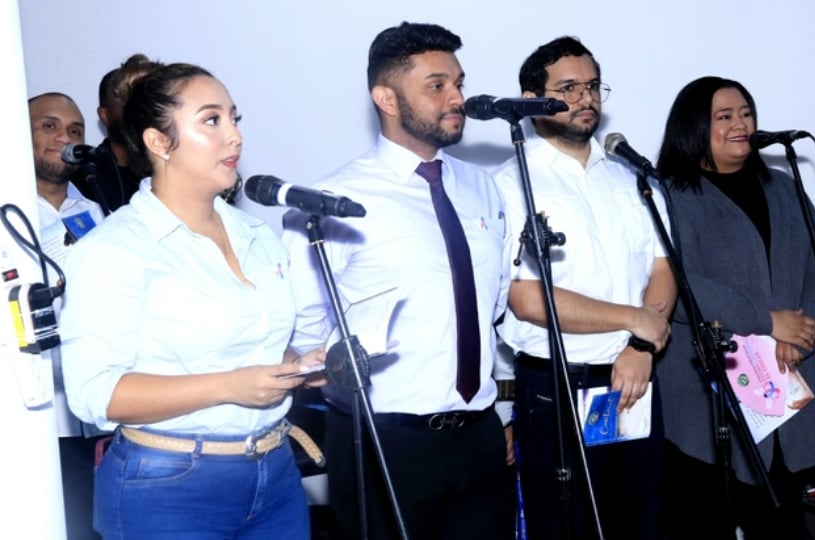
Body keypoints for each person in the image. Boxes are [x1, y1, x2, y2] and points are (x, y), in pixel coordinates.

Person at [60, 62, 324, 540]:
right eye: (211, 120)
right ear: (159, 142)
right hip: (168, 486)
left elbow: (253, 348)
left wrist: (298, 365)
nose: (235, 136)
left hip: (276, 472)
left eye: (235, 118)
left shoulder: (256, 234)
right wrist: (230, 385)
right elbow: (94, 394)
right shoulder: (116, 249)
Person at [282, 21, 515, 540]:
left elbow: (492, 304)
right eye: (437, 85)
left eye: (458, 81)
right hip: (382, 439)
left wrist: (495, 415)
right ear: (386, 98)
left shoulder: (482, 187)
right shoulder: (332, 202)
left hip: (478, 435)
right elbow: (304, 324)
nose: (457, 97)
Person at [493, 36, 676, 540]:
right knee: (565, 524)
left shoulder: (629, 177)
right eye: (569, 87)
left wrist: (641, 345)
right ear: (532, 99)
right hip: (554, 387)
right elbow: (526, 297)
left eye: (593, 85)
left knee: (638, 521)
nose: (586, 97)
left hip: (633, 378)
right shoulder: (510, 184)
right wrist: (629, 318)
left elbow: (663, 268)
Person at [655, 76, 815, 540]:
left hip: (786, 394)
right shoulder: (667, 194)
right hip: (706, 405)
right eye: (724, 116)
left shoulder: (781, 186)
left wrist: (803, 332)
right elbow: (675, 282)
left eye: (745, 114)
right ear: (695, 126)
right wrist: (767, 322)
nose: (741, 124)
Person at [29, 91, 105, 540]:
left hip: (96, 416)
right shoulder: (8, 210)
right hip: (36, 418)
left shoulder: (97, 212)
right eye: (49, 126)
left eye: (75, 131)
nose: (65, 137)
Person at [72, 53, 162, 215]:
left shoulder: (166, 168)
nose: (140, 112)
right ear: (104, 116)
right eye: (128, 103)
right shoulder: (87, 175)